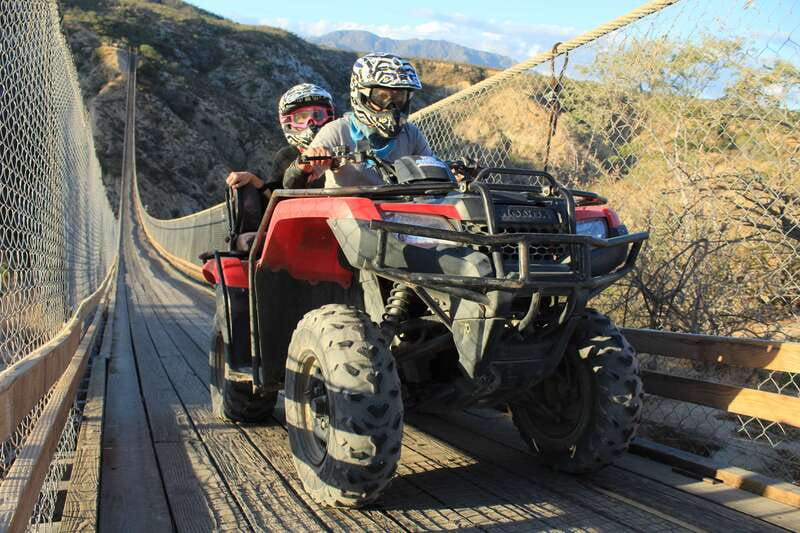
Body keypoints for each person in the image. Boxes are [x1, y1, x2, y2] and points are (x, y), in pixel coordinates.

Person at [284, 53, 433, 189]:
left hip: (400, 208)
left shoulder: (410, 133)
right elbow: (292, 185)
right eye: (382, 97)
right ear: (361, 95)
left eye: (399, 98)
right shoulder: (337, 131)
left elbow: (433, 176)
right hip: (346, 209)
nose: (392, 106)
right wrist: (305, 165)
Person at [225, 83, 335, 192]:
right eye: (301, 117)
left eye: (318, 115)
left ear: (329, 117)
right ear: (288, 123)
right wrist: (252, 179)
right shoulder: (286, 156)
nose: (311, 123)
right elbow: (273, 196)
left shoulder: (341, 148)